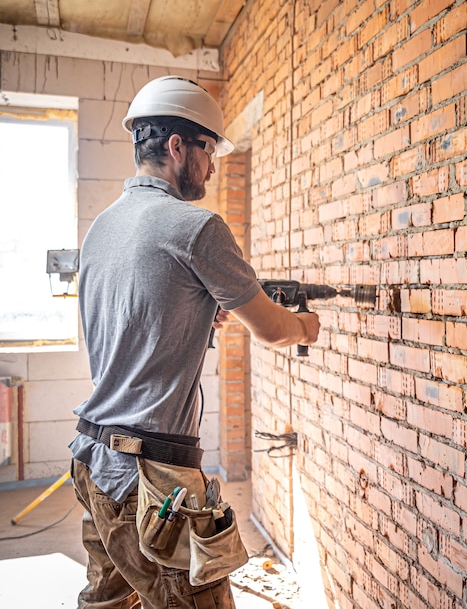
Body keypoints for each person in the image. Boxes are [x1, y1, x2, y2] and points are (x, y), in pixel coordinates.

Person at [69, 75, 320, 609]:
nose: (212, 167)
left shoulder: (102, 227)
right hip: (152, 479)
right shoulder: (196, 227)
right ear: (178, 147)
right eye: (208, 151)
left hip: (92, 459)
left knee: (107, 602)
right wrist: (305, 327)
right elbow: (273, 329)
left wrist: (195, 321)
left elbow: (125, 324)